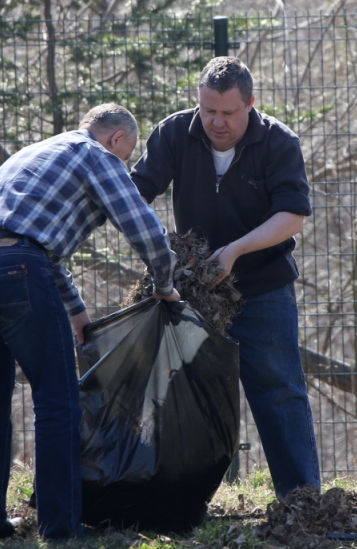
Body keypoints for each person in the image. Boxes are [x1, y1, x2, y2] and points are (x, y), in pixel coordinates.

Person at [0, 103, 181, 540]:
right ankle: (60, 527)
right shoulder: (96, 155)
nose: (122, 165)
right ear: (116, 140)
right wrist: (164, 283)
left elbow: (33, 243)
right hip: (17, 268)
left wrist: (76, 311)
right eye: (126, 157)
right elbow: (144, 229)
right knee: (58, 400)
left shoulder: (36, 153)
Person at [130, 56, 321, 498]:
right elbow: (134, 193)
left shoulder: (278, 142)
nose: (216, 122)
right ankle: (177, 499)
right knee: (182, 395)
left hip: (262, 287)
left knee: (279, 390)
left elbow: (292, 217)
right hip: (192, 291)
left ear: (251, 104)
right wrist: (161, 249)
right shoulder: (175, 132)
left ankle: (302, 500)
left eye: (228, 113)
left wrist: (234, 251)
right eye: (208, 110)